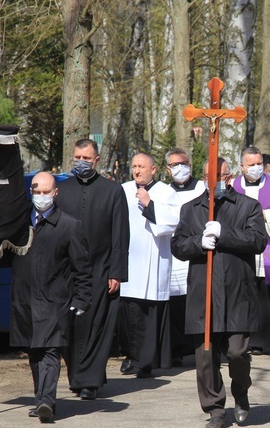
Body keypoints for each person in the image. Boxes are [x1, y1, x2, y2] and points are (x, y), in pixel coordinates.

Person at [171, 159, 267, 428]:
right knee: (205, 355)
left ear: (230, 176)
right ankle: (214, 408)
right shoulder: (191, 209)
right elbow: (178, 245)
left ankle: (241, 391)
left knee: (237, 352)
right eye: (208, 176)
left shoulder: (248, 206)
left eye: (220, 176)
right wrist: (198, 243)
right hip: (204, 292)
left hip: (236, 292)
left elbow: (258, 240)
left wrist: (225, 234)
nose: (214, 181)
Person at [9, 172, 92, 422]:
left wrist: (81, 299)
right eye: (37, 192)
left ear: (55, 194)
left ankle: (47, 401)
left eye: (46, 192)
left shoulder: (69, 225)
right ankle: (40, 399)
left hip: (55, 300)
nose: (41, 197)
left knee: (50, 351)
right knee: (35, 351)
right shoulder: (20, 226)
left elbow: (83, 268)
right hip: (24, 299)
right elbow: (6, 258)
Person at [55, 139, 129, 401]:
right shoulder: (60, 189)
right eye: (77, 157)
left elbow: (121, 234)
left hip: (101, 269)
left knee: (97, 325)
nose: (81, 162)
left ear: (97, 160)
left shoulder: (112, 190)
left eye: (86, 158)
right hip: (67, 271)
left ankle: (89, 381)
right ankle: (78, 375)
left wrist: (117, 272)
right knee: (70, 325)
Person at [119, 152, 181, 376]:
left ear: (153, 170)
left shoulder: (166, 192)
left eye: (142, 166)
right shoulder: (123, 189)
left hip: (154, 258)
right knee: (128, 312)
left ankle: (146, 361)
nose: (137, 170)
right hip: (129, 257)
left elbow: (173, 221)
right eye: (134, 166)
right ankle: (131, 355)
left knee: (148, 313)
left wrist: (150, 205)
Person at [231, 146, 270, 353]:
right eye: (252, 165)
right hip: (240, 251)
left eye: (259, 163)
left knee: (263, 295)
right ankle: (240, 339)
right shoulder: (233, 186)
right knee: (241, 295)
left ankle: (260, 340)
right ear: (242, 167)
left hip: (266, 250)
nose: (257, 168)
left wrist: (265, 215)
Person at [166, 148, 206, 366]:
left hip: (196, 249)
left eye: (182, 163)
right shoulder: (163, 192)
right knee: (175, 303)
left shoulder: (201, 188)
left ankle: (199, 347)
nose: (179, 168)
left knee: (196, 299)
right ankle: (176, 349)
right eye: (173, 165)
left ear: (190, 165)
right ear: (167, 169)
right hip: (173, 252)